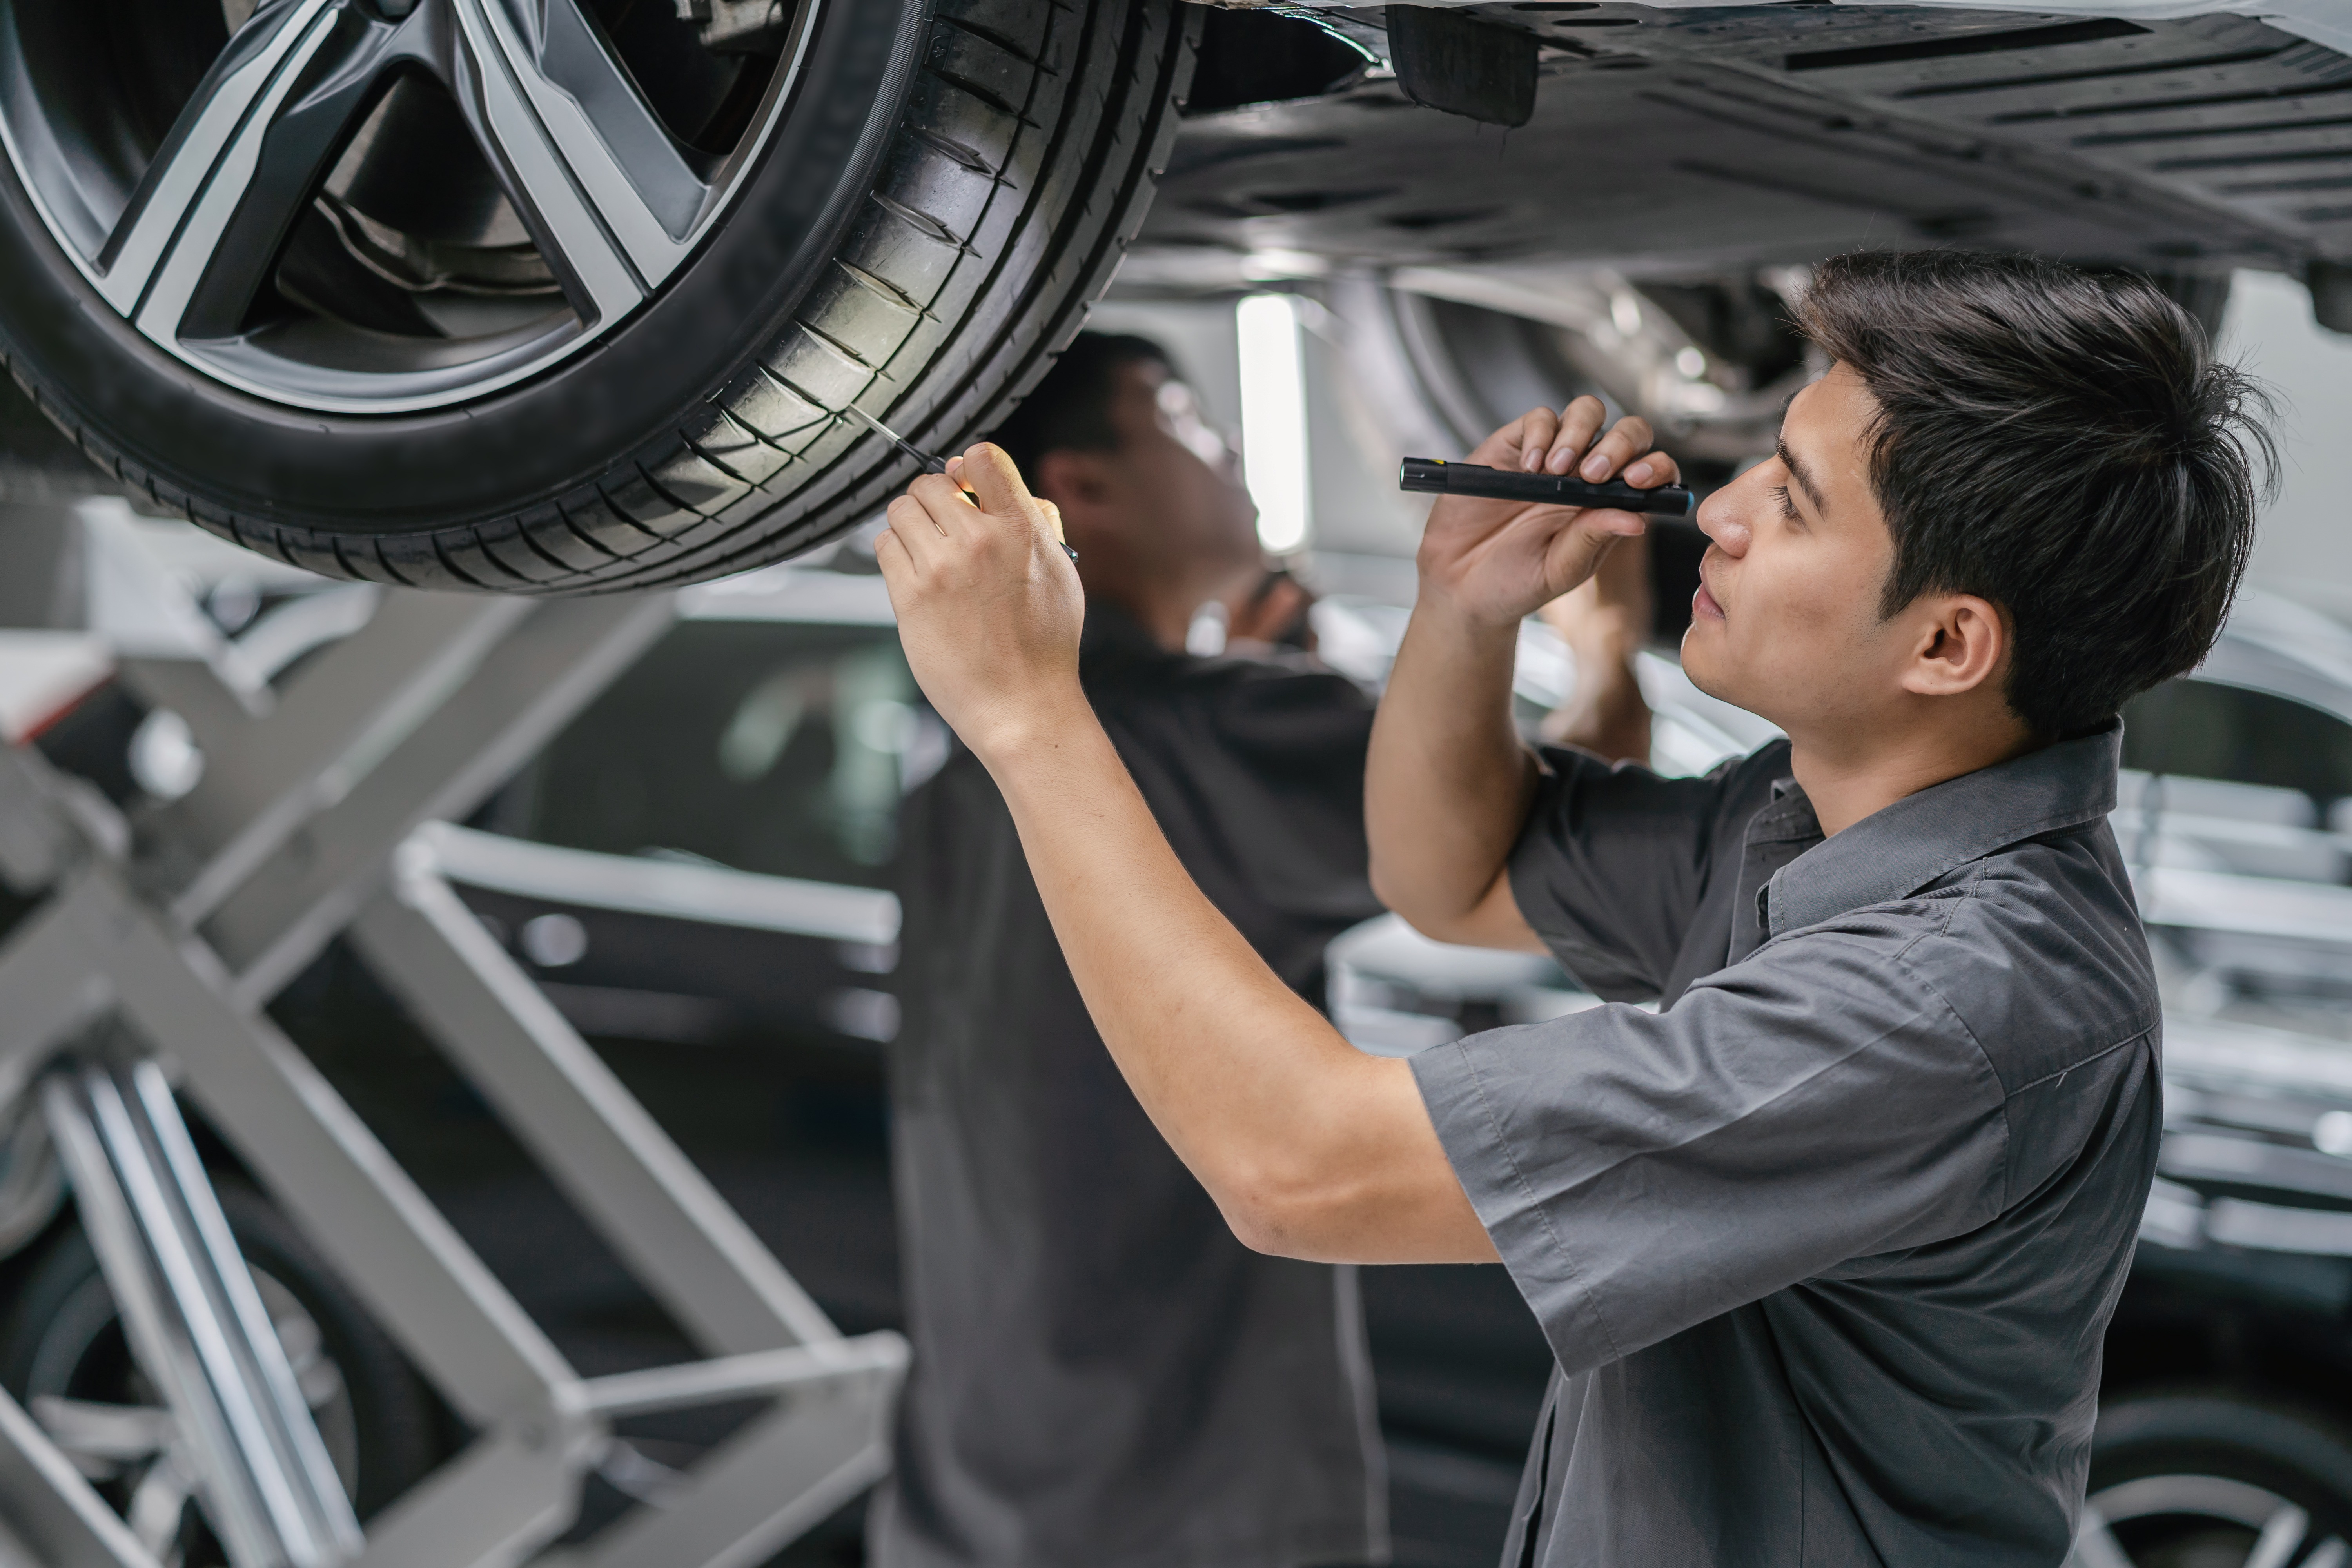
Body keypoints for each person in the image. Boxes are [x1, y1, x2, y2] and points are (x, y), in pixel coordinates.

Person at [869, 250, 2272, 1564]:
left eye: (1789, 499)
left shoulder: (1944, 1007)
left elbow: (1299, 1169)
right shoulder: (1805, 826)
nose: (1715, 511)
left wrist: (1028, 718)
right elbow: (1458, 877)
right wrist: (1465, 610)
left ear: (1949, 643)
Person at [869, 332, 1393, 1568]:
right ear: (1080, 490)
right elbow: (1548, 843)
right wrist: (1593, 641)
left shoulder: (957, 774)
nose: (1235, 457)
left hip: (972, 1494)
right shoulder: (1233, 736)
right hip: (1197, 1511)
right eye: (1188, 422)